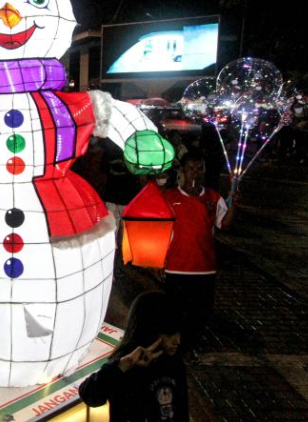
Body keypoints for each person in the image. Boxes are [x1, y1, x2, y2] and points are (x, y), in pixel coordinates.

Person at [162, 151, 237, 354]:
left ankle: (189, 346)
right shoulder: (169, 197)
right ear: (182, 171)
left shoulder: (213, 197)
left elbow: (224, 224)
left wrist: (233, 206)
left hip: (205, 268)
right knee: (174, 312)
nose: (195, 173)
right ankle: (172, 348)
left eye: (199, 169)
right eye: (191, 169)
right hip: (177, 267)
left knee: (200, 313)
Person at [79, 292, 188, 422]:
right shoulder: (124, 365)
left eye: (178, 332)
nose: (177, 341)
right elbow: (90, 395)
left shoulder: (173, 361)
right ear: (150, 329)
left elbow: (181, 408)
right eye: (170, 334)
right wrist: (123, 364)